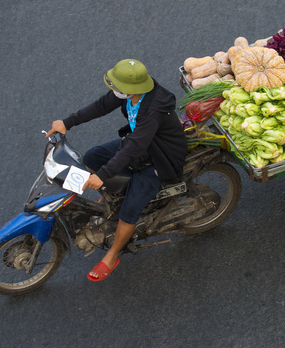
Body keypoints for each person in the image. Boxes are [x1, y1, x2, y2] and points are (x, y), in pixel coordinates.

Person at [46, 59, 187, 282]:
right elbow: (101, 106)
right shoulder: (130, 94)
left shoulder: (153, 110)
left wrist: (102, 175)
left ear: (130, 88)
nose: (113, 90)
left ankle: (112, 257)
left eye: (116, 86)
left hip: (160, 158)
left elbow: (134, 147)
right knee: (92, 156)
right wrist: (67, 122)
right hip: (140, 146)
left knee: (129, 210)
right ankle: (113, 194)